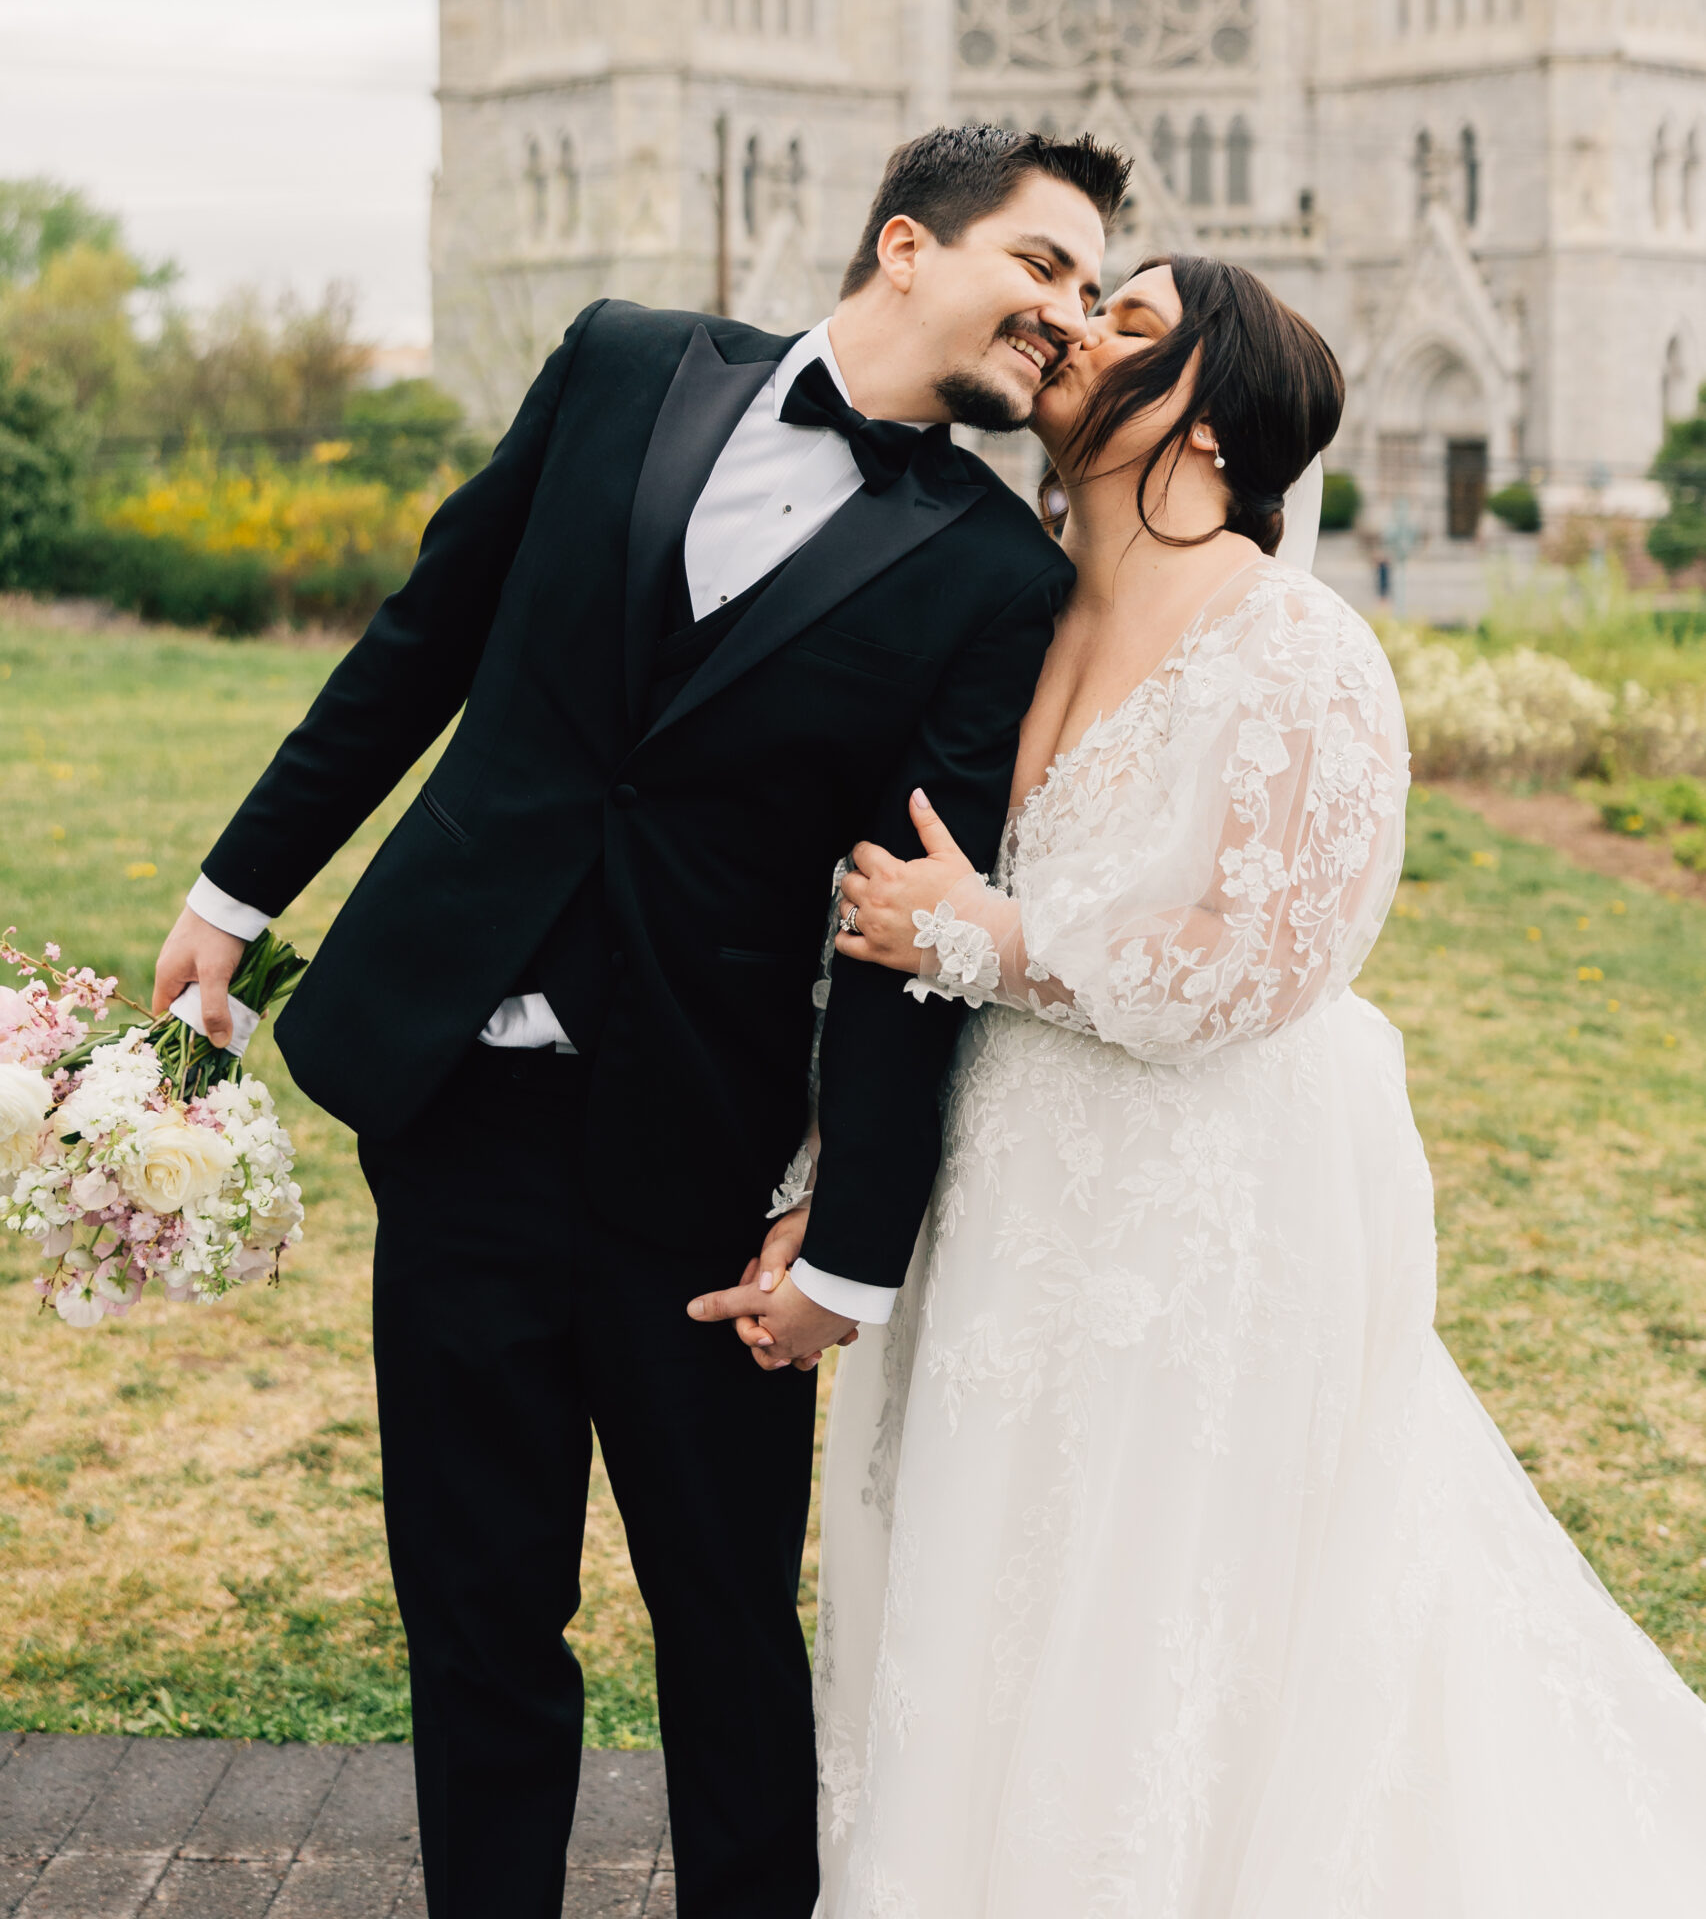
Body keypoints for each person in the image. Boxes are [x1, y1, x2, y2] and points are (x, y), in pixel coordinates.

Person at [147, 125, 1128, 1919]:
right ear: (906, 244)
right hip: (452, 1109)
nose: (1069, 314)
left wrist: (852, 1243)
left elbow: (913, 921)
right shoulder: (617, 364)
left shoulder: (993, 579)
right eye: (1046, 266)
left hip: (699, 1164)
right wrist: (235, 893)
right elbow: (421, 640)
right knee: (475, 1606)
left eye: (1088, 289)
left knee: (731, 1633)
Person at [802, 255, 1706, 1917]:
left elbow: (1264, 959)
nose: (1077, 328)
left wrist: (987, 941)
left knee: (1168, 1591)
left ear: (1213, 429)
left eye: (1132, 326)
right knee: (993, 1568)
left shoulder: (1297, 649)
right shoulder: (1002, 607)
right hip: (1005, 1192)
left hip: (1201, 1198)